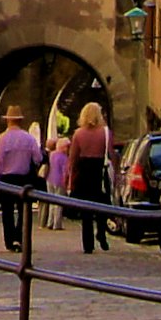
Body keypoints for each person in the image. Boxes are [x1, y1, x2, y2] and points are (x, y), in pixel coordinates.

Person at [0, 106, 42, 253]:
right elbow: (38, 159)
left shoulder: (2, 139)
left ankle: (10, 241)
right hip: (24, 179)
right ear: (20, 121)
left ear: (8, 121)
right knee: (24, 211)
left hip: (7, 178)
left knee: (7, 211)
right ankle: (20, 237)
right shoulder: (29, 138)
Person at [68, 100, 115, 253]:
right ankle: (101, 232)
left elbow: (73, 159)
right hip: (99, 171)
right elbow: (111, 154)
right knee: (102, 205)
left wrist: (70, 179)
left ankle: (87, 244)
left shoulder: (78, 134)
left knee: (86, 211)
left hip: (84, 173)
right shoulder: (105, 132)